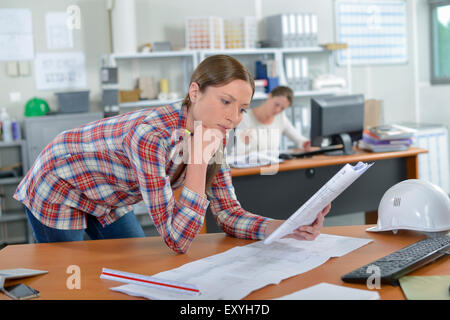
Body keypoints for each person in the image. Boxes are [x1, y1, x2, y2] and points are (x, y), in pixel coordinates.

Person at [14, 55, 330, 253]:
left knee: (135, 262)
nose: (234, 117)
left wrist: (283, 227)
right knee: (71, 278)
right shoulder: (151, 136)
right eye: (225, 101)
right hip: (60, 184)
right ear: (194, 93)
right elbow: (176, 241)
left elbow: (229, 214)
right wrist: (196, 163)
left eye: (242, 108)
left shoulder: (215, 134)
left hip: (109, 196)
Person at [231, 86, 311, 156]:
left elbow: (299, 139)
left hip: (271, 167)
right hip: (251, 168)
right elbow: (238, 153)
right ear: (270, 96)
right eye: (276, 104)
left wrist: (305, 144)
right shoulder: (245, 118)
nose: (277, 110)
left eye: (282, 108)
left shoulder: (281, 118)